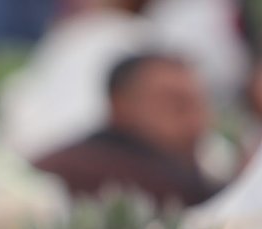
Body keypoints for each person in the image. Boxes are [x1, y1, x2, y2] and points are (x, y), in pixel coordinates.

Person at [34, 52, 222, 207]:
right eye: (175, 105)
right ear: (120, 104)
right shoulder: (82, 171)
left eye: (199, 105)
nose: (194, 120)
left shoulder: (191, 171)